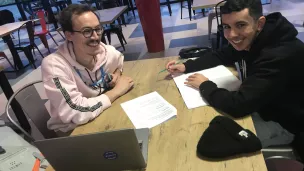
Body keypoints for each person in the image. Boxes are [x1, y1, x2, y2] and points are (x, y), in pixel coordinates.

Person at [166, 0, 304, 150]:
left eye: (240, 25)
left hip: (285, 123)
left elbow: (239, 105)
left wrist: (205, 85)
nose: (231, 35)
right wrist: (186, 66)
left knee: (199, 142)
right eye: (226, 26)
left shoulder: (278, 55)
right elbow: (222, 54)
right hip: (263, 105)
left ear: (260, 24)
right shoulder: (257, 37)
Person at [41, 4, 134, 133]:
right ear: (69, 35)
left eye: (98, 29)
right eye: (87, 31)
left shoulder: (104, 51)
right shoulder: (54, 66)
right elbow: (75, 112)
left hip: (101, 116)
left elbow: (119, 59)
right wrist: (115, 92)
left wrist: (117, 74)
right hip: (73, 131)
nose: (96, 37)